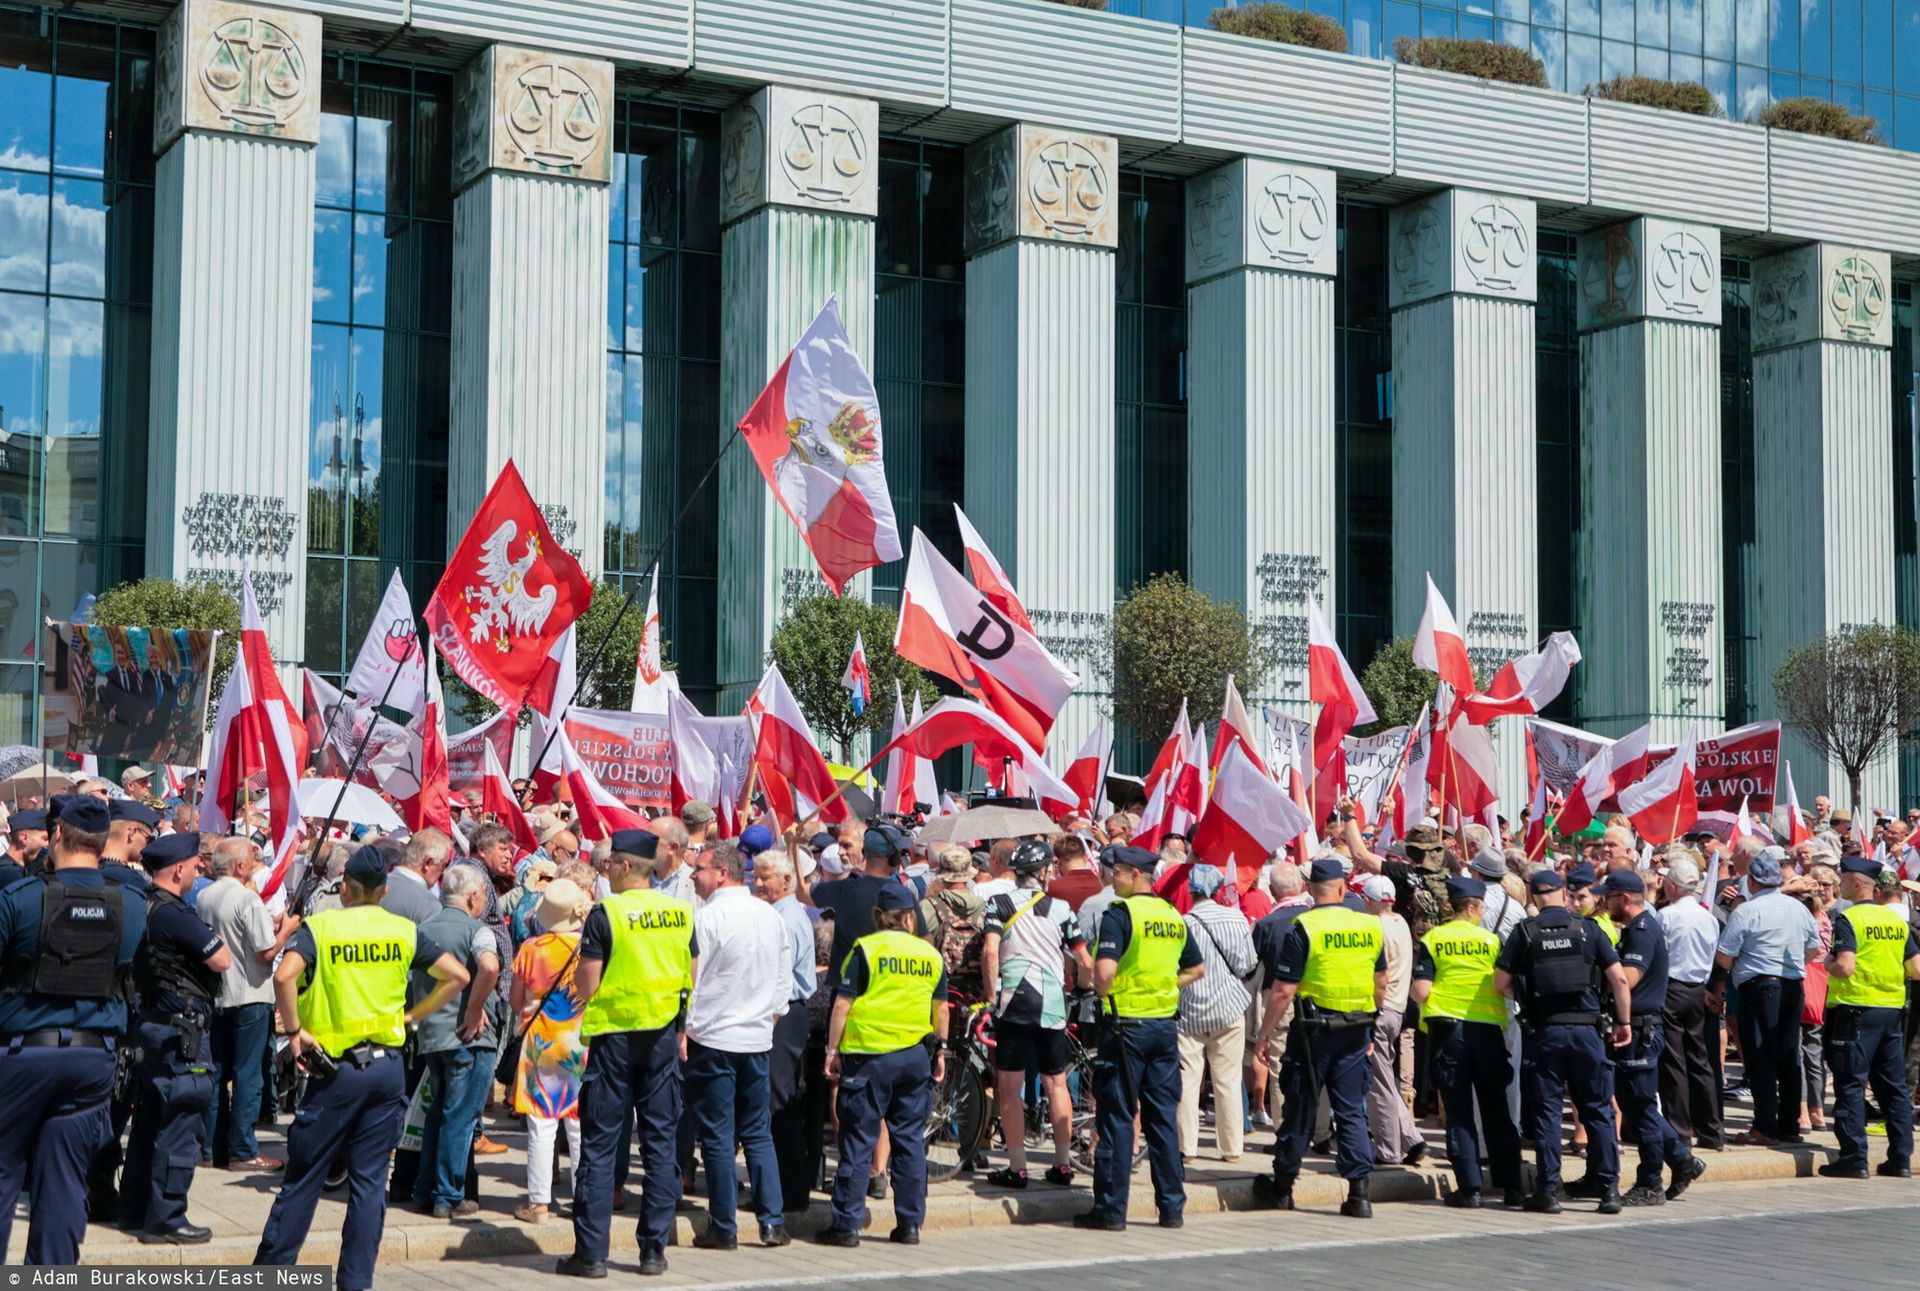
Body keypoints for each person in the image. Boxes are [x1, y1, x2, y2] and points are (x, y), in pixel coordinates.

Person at [254, 847, 470, 1290]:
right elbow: (459, 976)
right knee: (370, 1186)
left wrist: (294, 1032)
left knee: (305, 1180)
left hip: (336, 1070)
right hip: (387, 1069)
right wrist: (416, 1014)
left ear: (346, 888)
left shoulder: (323, 926)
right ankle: (355, 1282)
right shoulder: (403, 931)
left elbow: (283, 976)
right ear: (385, 890)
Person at [0, 794, 146, 1264]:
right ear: (105, 841)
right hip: (92, 1060)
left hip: (23, 1055)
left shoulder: (20, 899)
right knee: (64, 1181)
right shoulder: (131, 904)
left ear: (57, 834)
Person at [560, 829, 695, 1279]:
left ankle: (592, 1255)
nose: (607, 871)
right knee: (659, 1147)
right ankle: (654, 1251)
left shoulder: (607, 913)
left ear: (623, 865)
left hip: (615, 1040)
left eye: (609, 863)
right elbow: (689, 970)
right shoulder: (679, 911)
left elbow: (588, 985)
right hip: (660, 1037)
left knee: (600, 1148)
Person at [1073, 846, 1202, 1231]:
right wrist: (1161, 986)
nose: (1111, 879)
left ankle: (1111, 1210)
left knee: (1116, 1117)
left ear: (1133, 874)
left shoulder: (1120, 914)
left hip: (1125, 1027)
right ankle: (1171, 1207)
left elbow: (1105, 973)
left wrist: (1103, 990)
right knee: (1162, 1118)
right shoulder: (1171, 915)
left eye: (1116, 873)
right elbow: (1196, 969)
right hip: (1163, 1027)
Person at [1250, 855, 1386, 1218]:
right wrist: (1371, 1023)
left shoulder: (1304, 926)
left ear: (1309, 890)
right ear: (1343, 889)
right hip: (1356, 1028)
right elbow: (1381, 984)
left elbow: (1282, 991)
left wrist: (1263, 1036)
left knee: (1300, 1106)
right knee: (1351, 1109)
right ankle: (1360, 1193)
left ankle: (1283, 1185)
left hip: (1313, 1032)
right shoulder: (1370, 927)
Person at [814, 883, 949, 1248]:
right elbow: (941, 1009)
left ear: (878, 916)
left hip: (870, 1057)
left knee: (858, 1141)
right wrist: (940, 1051)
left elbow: (843, 1003)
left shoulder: (866, 950)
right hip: (914, 1058)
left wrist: (832, 1049)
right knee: (908, 1143)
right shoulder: (929, 954)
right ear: (909, 917)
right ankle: (909, 1224)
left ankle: (846, 1225)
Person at [1495, 869, 1632, 1215]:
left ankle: (1548, 1190)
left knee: (1547, 1112)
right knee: (1598, 1109)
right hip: (1588, 1031)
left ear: (1534, 895)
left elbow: (1501, 982)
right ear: (1563, 892)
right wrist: (1624, 1022)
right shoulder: (1588, 930)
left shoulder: (1525, 932)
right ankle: (1609, 1189)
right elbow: (1618, 979)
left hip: (1546, 1033)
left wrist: (1526, 1000)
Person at [118, 829, 230, 1243]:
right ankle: (167, 1217)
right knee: (182, 1119)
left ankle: (134, 1209)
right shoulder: (174, 913)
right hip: (181, 1030)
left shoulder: (143, 904)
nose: (199, 872)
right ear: (179, 868)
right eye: (196, 866)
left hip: (152, 1023)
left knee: (149, 1120)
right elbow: (221, 958)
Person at [685, 839, 792, 1250]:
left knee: (717, 1135)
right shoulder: (769, 916)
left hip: (714, 1037)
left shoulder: (707, 918)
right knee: (756, 1131)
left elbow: (691, 981)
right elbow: (784, 979)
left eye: (700, 869)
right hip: (754, 1036)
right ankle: (770, 1222)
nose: (694, 875)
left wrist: (689, 1027)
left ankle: (725, 1226)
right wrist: (770, 1015)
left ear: (722, 873)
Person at [981, 838, 1092, 1187]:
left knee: (1010, 1086)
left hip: (1014, 1002)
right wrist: (1085, 986)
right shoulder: (1061, 909)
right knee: (1056, 1083)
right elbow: (1085, 961)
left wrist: (989, 997)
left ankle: (1017, 1167)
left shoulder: (997, 903)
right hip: (1052, 1005)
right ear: (1044, 872)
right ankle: (1061, 1163)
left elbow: (989, 954)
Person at [1411, 876, 1520, 1209]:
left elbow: (1421, 990)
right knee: (1496, 1110)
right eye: (1482, 907)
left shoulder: (1433, 938)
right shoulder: (1490, 941)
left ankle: (1469, 1188)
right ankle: (1512, 1186)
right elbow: (1505, 985)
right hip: (1487, 1032)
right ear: (1472, 907)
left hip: (1449, 1031)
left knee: (1458, 1112)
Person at [1600, 869, 1706, 1206]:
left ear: (1625, 899)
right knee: (1636, 1104)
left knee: (1641, 1107)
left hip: (1642, 1029)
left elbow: (1628, 979)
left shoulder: (1642, 932)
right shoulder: (1635, 929)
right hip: (1638, 1027)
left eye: (1610, 897)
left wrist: (1601, 964)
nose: (1606, 903)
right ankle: (1681, 1159)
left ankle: (1650, 1183)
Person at [197, 836, 299, 1171]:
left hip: (220, 995)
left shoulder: (204, 895)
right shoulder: (247, 898)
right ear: (240, 866)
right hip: (251, 996)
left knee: (218, 1074)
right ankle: (242, 1149)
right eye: (251, 861)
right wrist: (287, 930)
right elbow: (266, 952)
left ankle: (214, 1146)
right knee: (248, 1076)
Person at [1710, 846, 1821, 1144]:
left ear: (1754, 882)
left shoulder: (1747, 910)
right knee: (1788, 1055)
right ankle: (1789, 1126)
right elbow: (1814, 949)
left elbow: (1724, 956)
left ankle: (1764, 1126)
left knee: (1760, 1056)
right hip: (1792, 984)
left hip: (1759, 986)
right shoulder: (1798, 908)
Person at [410, 863, 502, 1220]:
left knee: (438, 1113)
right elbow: (490, 968)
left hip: (432, 1036)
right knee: (460, 1118)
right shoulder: (478, 931)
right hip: (469, 1038)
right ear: (473, 896)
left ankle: (424, 1189)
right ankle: (448, 1195)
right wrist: (474, 1009)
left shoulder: (422, 929)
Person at [1818, 856, 1920, 1179]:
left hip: (1855, 1009)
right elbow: (1916, 970)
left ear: (1858, 883)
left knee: (1849, 1083)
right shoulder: (1896, 922)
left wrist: (1827, 964)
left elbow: (1845, 967)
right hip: (1891, 1012)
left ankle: (1853, 1158)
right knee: (1893, 1086)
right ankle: (1900, 1158)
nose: (1840, 883)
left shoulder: (1849, 919)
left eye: (1844, 878)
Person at [509, 877, 591, 1224]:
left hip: (541, 1040)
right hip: (580, 1039)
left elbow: (515, 1000)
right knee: (579, 1123)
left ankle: (539, 1203)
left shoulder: (532, 947)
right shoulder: (591, 948)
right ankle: (584, 1198)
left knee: (541, 1124)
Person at [1175, 863, 1256, 1165]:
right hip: (1227, 1008)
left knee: (1187, 1080)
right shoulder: (1235, 918)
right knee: (1228, 1080)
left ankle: (1187, 1148)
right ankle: (1232, 1147)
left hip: (1189, 1008)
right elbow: (1248, 963)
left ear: (1191, 890)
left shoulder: (1181, 922)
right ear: (1219, 889)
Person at [754, 842, 820, 1210]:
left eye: (764, 877)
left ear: (785, 881)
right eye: (755, 875)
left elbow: (781, 978)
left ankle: (791, 1192)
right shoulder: (777, 914)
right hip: (781, 1013)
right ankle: (781, 1187)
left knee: (780, 1102)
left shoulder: (786, 919)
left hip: (786, 1014)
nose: (757, 883)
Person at [1657, 853, 1724, 1153]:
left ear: (1672, 886)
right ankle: (1711, 1130)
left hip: (1672, 989)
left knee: (1674, 1063)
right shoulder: (1707, 917)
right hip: (1697, 988)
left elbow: (1660, 955)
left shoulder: (1666, 915)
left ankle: (1680, 1132)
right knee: (1700, 1060)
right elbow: (1712, 955)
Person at [381, 830, 442, 925]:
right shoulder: (430, 904)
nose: (444, 871)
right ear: (428, 862)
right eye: (444, 865)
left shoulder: (371, 884)